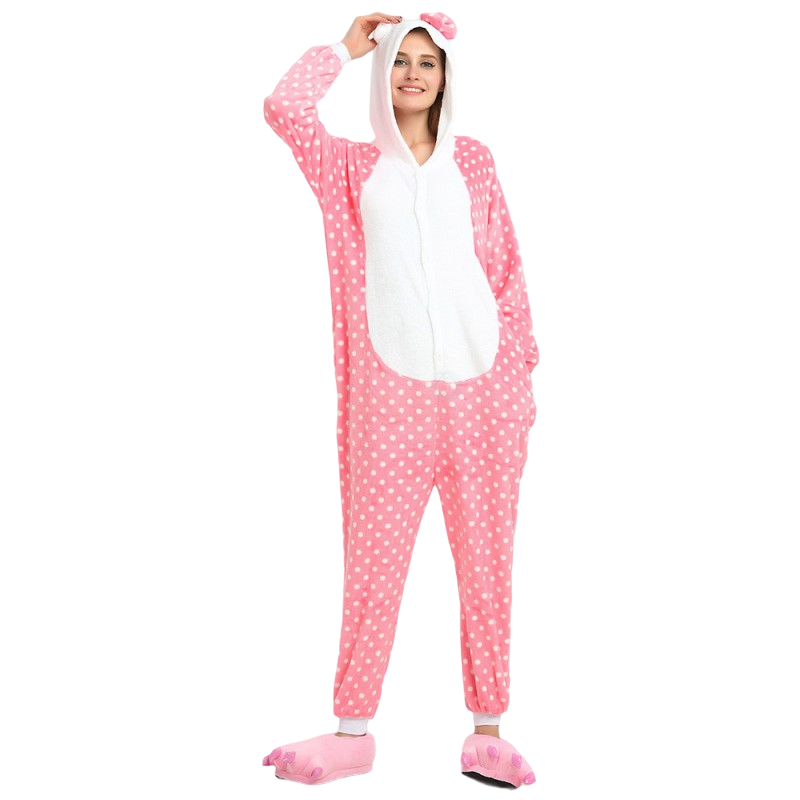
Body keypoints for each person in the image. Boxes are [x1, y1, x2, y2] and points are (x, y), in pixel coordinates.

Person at [261, 11, 539, 787]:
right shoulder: (349, 167)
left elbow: (506, 268)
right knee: (372, 565)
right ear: (382, 76)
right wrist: (345, 48)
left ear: (446, 77)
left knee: (488, 566)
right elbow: (284, 109)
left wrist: (519, 373)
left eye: (427, 61)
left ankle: (488, 731)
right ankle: (352, 731)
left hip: (485, 399)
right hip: (389, 403)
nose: (413, 73)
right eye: (400, 61)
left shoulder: (475, 161)